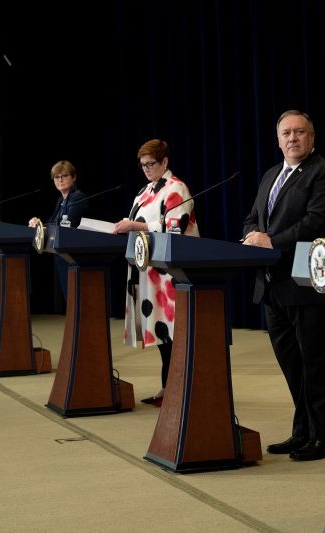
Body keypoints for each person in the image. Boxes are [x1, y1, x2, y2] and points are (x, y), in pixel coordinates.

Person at [242, 110, 325, 461]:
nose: (292, 138)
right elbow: (252, 218)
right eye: (286, 132)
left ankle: (324, 437)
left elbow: (317, 221)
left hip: (309, 283)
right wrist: (251, 236)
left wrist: (269, 240)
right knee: (292, 365)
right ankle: (302, 431)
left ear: (312, 137)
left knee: (317, 364)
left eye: (299, 131)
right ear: (278, 139)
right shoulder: (271, 174)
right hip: (272, 286)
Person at [114, 139, 199, 407]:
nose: (147, 169)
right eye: (143, 165)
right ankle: (167, 387)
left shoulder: (176, 188)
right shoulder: (145, 191)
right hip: (149, 271)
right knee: (163, 337)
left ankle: (178, 388)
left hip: (170, 274)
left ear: (165, 162)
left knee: (173, 335)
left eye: (152, 164)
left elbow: (175, 225)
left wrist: (136, 225)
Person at [28, 160, 89, 300]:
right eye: (57, 177)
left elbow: (67, 224)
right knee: (69, 297)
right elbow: (53, 223)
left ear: (74, 177)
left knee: (74, 297)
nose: (60, 180)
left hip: (73, 254)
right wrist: (39, 224)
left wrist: (43, 227)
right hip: (62, 254)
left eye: (64, 176)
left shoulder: (77, 197)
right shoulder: (61, 201)